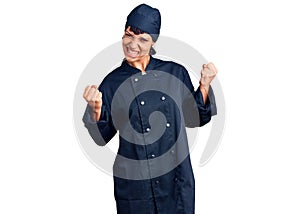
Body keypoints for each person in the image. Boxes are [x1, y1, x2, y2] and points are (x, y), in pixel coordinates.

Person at [82, 3, 218, 214]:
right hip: (136, 187)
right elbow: (101, 137)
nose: (133, 44)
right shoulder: (111, 83)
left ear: (153, 41)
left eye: (143, 39)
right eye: (128, 35)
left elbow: (196, 118)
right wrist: (96, 108)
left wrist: (205, 85)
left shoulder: (175, 73)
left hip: (175, 182)